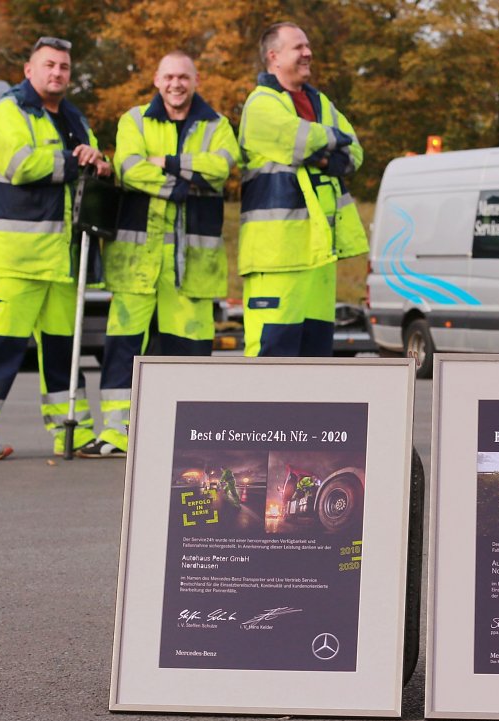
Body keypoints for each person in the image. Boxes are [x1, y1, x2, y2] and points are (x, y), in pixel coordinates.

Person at [0, 36, 111, 460]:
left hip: (61, 261)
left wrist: (98, 161)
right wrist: (78, 160)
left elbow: (89, 166)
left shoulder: (75, 118)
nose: (57, 73)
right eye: (49, 65)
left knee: (65, 353)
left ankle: (70, 434)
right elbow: (21, 165)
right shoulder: (7, 112)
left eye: (63, 67)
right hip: (13, 260)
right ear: (29, 70)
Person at [78, 51, 237, 459]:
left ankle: (189, 435)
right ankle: (116, 433)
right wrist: (184, 184)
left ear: (196, 80)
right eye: (169, 76)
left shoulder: (217, 125)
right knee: (123, 351)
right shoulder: (134, 120)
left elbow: (220, 168)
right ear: (156, 79)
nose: (176, 84)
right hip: (136, 264)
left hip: (192, 268)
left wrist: (163, 162)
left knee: (191, 355)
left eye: (183, 76)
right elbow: (129, 167)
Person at [237, 22, 368, 357]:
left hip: (319, 256)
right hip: (277, 257)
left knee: (314, 362)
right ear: (274, 56)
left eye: (308, 46)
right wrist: (330, 145)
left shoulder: (320, 102)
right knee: (272, 357)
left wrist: (322, 155)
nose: (308, 53)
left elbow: (354, 152)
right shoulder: (260, 105)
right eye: (298, 47)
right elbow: (304, 141)